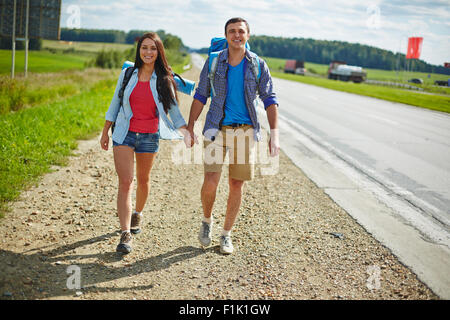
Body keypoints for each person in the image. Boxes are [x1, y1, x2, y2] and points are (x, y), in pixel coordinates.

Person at [185, 17, 280, 254]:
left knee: (236, 183)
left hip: (245, 131)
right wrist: (190, 127)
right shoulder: (215, 61)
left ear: (248, 35)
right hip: (216, 129)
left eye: (241, 31)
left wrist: (274, 135)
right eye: (232, 31)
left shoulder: (257, 64)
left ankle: (226, 235)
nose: (236, 35)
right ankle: (207, 220)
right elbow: (200, 95)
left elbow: (270, 99)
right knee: (210, 182)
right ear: (226, 35)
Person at [100, 32, 188, 254]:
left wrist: (186, 131)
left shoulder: (164, 79)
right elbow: (115, 103)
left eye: (153, 48)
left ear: (159, 53)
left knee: (143, 179)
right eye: (144, 48)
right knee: (126, 182)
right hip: (124, 133)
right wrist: (104, 132)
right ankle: (125, 234)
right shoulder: (128, 73)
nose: (148, 52)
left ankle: (137, 213)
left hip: (149, 135)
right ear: (139, 51)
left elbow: (175, 111)